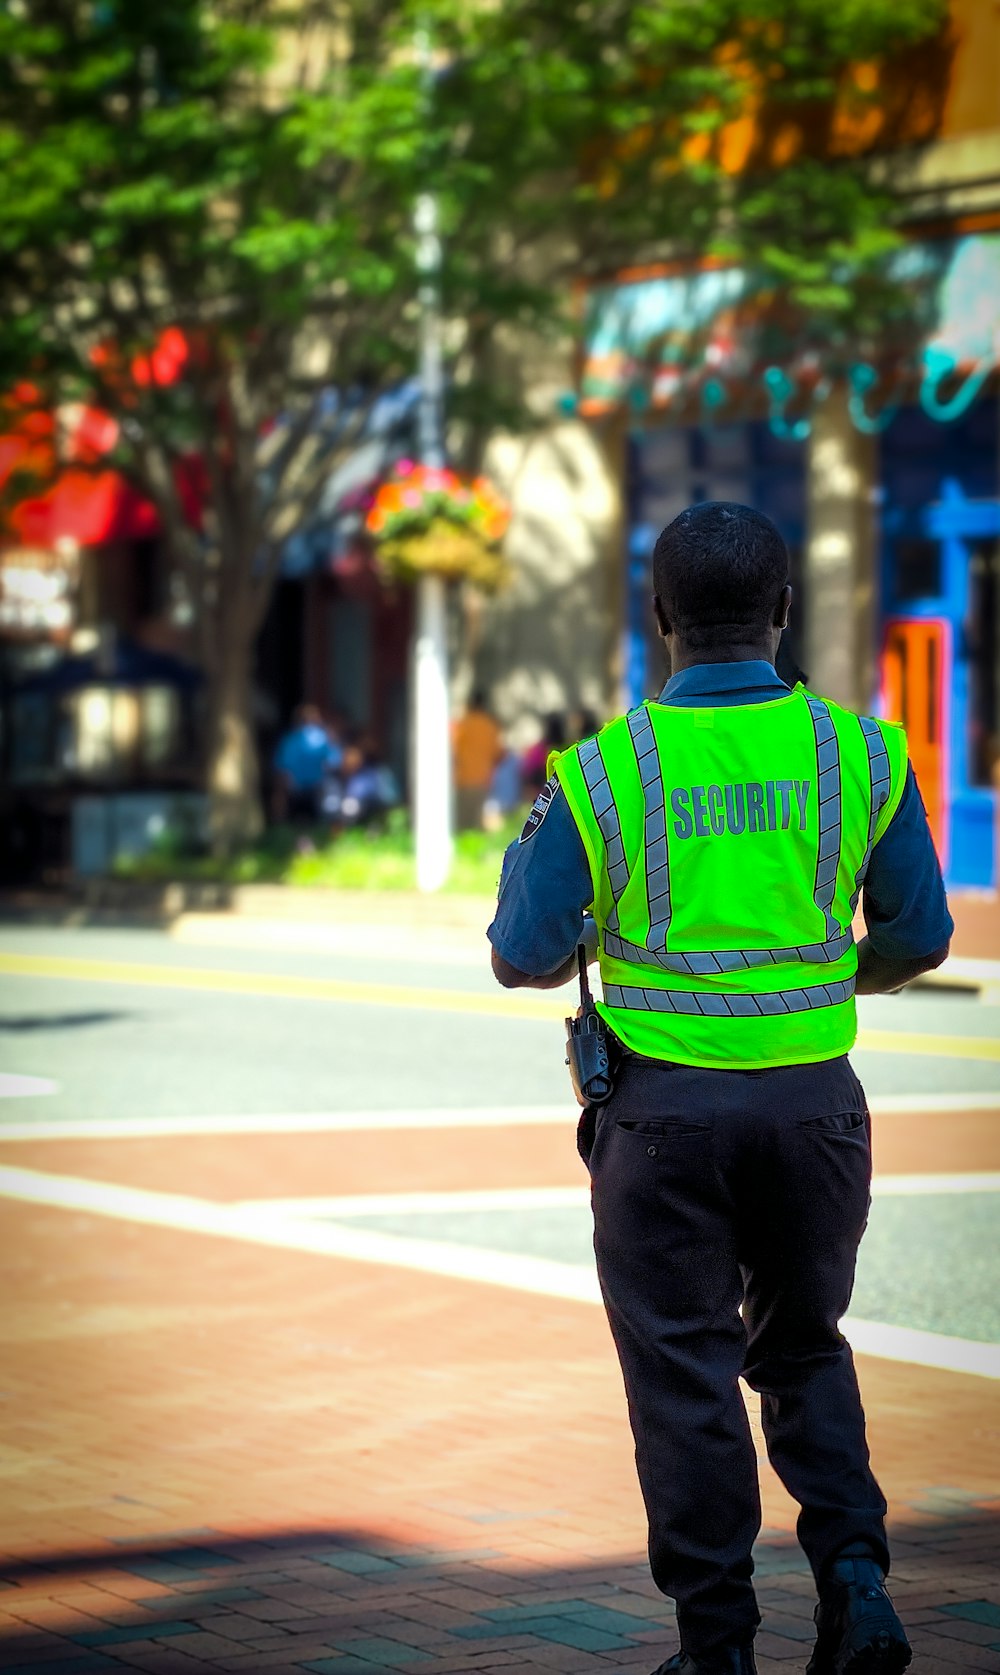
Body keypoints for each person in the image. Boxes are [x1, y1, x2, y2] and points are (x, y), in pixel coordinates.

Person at [488, 502, 952, 1675]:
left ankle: (718, 1646)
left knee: (686, 1376)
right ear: (782, 611)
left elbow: (522, 952)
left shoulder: (601, 772)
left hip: (660, 1129)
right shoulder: (863, 753)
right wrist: (835, 976)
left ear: (659, 621)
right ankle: (855, 1582)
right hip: (813, 1112)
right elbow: (922, 933)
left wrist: (524, 853)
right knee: (803, 1348)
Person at [272, 704, 342, 825]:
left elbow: (281, 767)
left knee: (295, 823)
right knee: (317, 822)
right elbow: (334, 762)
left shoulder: (289, 739)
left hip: (294, 788)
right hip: (317, 788)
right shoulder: (323, 737)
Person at [453, 691, 504, 831]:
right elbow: (499, 754)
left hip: (462, 781)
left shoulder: (463, 724)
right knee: (477, 826)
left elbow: (452, 750)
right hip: (483, 781)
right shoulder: (490, 726)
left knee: (461, 825)